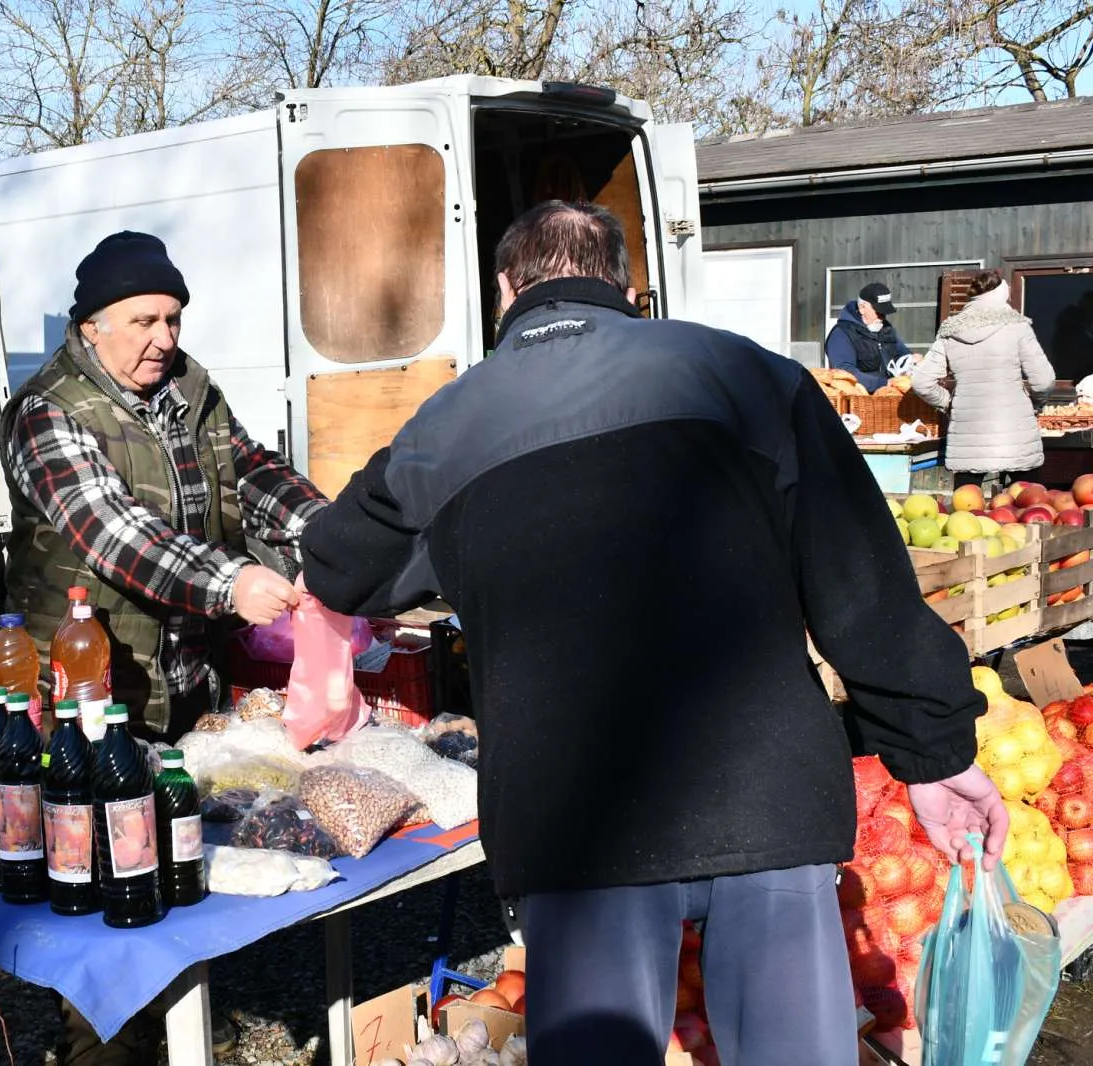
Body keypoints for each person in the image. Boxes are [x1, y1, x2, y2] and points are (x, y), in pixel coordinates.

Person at [299, 202, 1008, 1066]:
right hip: (765, 792)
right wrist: (933, 752)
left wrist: (466, 550)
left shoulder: (446, 426)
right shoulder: (749, 377)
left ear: (503, 291)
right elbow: (863, 585)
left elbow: (340, 566)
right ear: (625, 285)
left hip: (579, 818)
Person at [0, 230, 327, 1063]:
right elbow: (115, 534)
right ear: (92, 326)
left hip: (186, 680)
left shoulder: (190, 389)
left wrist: (334, 537)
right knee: (107, 881)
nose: (164, 338)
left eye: (174, 318)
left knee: (186, 852)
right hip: (88, 691)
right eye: (144, 319)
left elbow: (254, 473)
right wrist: (231, 582)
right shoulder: (46, 412)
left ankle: (183, 1012)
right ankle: (105, 1041)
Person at [911, 270, 1056, 488]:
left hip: (969, 438)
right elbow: (1043, 380)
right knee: (1028, 505)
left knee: (967, 511)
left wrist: (948, 403)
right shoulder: (1017, 326)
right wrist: (1035, 404)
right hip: (1016, 433)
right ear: (1003, 294)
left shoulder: (951, 330)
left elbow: (921, 382)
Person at [827, 281, 912, 392]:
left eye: (884, 313)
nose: (882, 318)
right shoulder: (842, 334)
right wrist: (883, 383)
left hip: (890, 394)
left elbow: (902, 353)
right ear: (862, 308)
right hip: (861, 399)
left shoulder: (885, 328)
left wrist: (912, 360)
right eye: (879, 312)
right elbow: (845, 372)